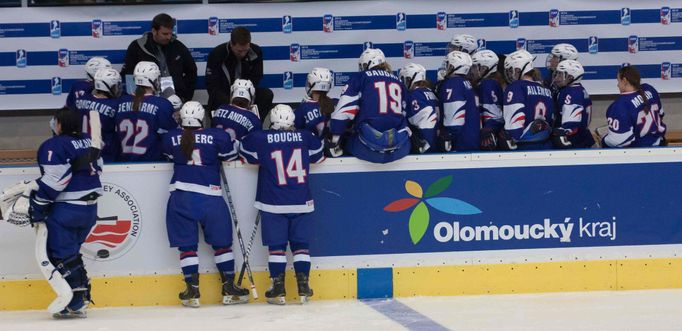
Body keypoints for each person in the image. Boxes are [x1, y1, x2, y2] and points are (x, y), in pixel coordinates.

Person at [162, 101, 249, 308]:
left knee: (187, 248)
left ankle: (192, 291)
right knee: (222, 245)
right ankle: (229, 287)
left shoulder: (170, 138)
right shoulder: (217, 136)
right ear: (202, 118)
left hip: (181, 197)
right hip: (210, 197)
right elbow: (230, 156)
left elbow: (167, 155)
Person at [239, 104, 325, 305]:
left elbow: (244, 153)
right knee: (301, 247)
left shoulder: (262, 138)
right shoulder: (305, 136)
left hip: (273, 203)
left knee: (276, 248)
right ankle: (303, 285)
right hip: (301, 202)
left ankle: (278, 288)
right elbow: (319, 156)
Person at [29, 107, 103, 318]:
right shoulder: (91, 140)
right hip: (89, 209)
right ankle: (81, 296)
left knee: (60, 254)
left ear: (60, 123)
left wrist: (38, 207)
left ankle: (77, 301)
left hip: (67, 209)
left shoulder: (54, 145)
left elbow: (55, 182)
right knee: (71, 254)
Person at [328, 48, 411, 164]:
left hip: (367, 149)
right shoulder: (399, 82)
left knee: (347, 138)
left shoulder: (360, 78)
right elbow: (407, 114)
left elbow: (343, 112)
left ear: (368, 64)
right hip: (399, 148)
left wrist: (335, 140)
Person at [121, 13, 196, 109]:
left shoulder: (177, 46)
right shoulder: (137, 47)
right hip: (146, 103)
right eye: (165, 34)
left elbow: (192, 71)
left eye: (170, 33)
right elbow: (129, 74)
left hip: (175, 101)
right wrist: (136, 100)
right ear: (154, 31)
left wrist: (184, 97)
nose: (169, 37)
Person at [206, 27, 273, 119]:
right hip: (225, 94)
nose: (243, 54)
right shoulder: (217, 54)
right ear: (231, 44)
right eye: (239, 51)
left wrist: (246, 96)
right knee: (215, 96)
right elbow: (212, 84)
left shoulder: (256, 51)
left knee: (267, 94)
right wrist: (232, 100)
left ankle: (255, 125)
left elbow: (257, 76)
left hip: (247, 92)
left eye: (245, 50)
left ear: (249, 44)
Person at [116, 61, 177, 162]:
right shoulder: (162, 104)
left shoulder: (121, 101)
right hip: (152, 162)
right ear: (154, 80)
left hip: (123, 162)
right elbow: (171, 136)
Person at [500, 49, 555, 150]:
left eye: (510, 70)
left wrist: (511, 139)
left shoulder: (515, 87)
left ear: (518, 69)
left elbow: (515, 121)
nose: (508, 74)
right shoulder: (546, 89)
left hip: (523, 146)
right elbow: (551, 120)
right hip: (545, 144)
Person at [601, 66, 666, 148]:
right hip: (660, 144)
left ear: (624, 80)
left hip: (639, 153)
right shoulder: (650, 89)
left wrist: (604, 139)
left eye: (618, 81)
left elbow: (619, 141)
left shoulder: (620, 105)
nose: (617, 85)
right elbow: (661, 114)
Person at [70, 68, 122, 162]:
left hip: (81, 152)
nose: (117, 88)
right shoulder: (115, 105)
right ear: (108, 86)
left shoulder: (80, 99)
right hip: (104, 154)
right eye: (115, 85)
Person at [438, 51, 480, 152]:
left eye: (448, 64)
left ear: (454, 66)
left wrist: (448, 136)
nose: (446, 67)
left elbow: (454, 120)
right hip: (471, 139)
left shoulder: (453, 83)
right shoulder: (467, 83)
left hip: (459, 144)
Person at [550, 60, 595, 149]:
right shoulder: (579, 88)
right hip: (584, 136)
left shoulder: (571, 92)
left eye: (560, 74)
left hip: (575, 141)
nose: (557, 78)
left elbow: (571, 124)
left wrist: (559, 132)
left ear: (570, 77)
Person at [398, 63, 438, 153]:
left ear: (410, 79)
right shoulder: (431, 93)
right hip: (435, 143)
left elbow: (406, 120)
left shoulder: (414, 95)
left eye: (405, 79)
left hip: (423, 145)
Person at [211, 79, 262, 149]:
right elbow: (256, 145)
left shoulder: (219, 109)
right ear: (251, 95)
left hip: (215, 151)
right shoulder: (254, 120)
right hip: (238, 156)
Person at [469, 50, 504, 150]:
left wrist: (488, 129)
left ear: (485, 68)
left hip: (490, 137)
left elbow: (495, 116)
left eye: (475, 67)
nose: (472, 71)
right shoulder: (491, 83)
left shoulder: (487, 84)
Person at [294, 67, 336, 137]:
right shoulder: (335, 103)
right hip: (328, 145)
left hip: (310, 145)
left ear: (311, 85)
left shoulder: (303, 108)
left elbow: (297, 130)